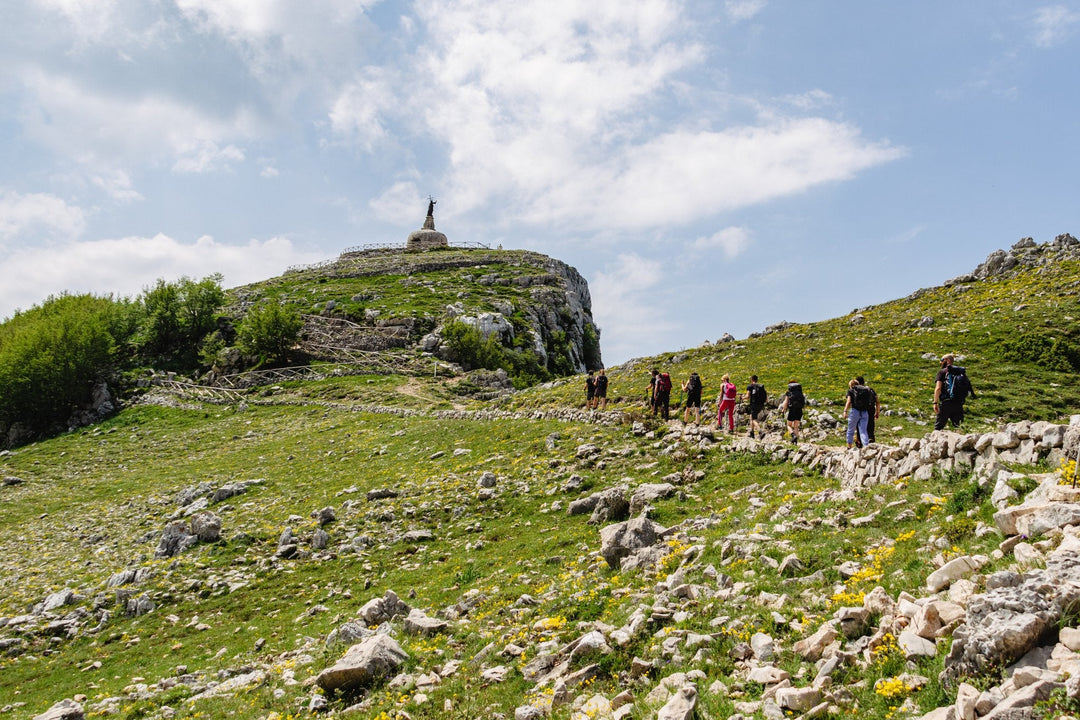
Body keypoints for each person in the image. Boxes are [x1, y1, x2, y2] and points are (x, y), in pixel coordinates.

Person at [934, 353, 975, 430]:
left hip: (946, 403)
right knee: (959, 427)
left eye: (942, 360)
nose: (940, 362)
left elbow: (938, 388)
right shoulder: (960, 373)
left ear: (948, 360)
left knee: (938, 428)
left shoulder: (942, 372)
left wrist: (935, 403)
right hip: (958, 403)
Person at [843, 378, 872, 449]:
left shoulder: (851, 390)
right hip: (864, 412)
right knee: (863, 431)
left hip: (855, 411)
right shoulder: (865, 390)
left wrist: (845, 411)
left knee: (851, 430)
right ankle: (866, 446)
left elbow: (849, 401)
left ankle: (849, 445)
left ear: (851, 385)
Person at [778, 379, 805, 444]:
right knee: (796, 426)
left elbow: (786, 402)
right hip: (799, 409)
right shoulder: (800, 392)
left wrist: (783, 409)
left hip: (792, 409)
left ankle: (793, 435)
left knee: (789, 425)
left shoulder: (789, 392)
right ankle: (795, 442)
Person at [855, 375, 880, 445]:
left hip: (861, 410)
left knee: (860, 426)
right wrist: (877, 412)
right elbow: (877, 401)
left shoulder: (856, 390)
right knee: (870, 425)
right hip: (871, 409)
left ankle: (859, 442)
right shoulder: (870, 389)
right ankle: (871, 439)